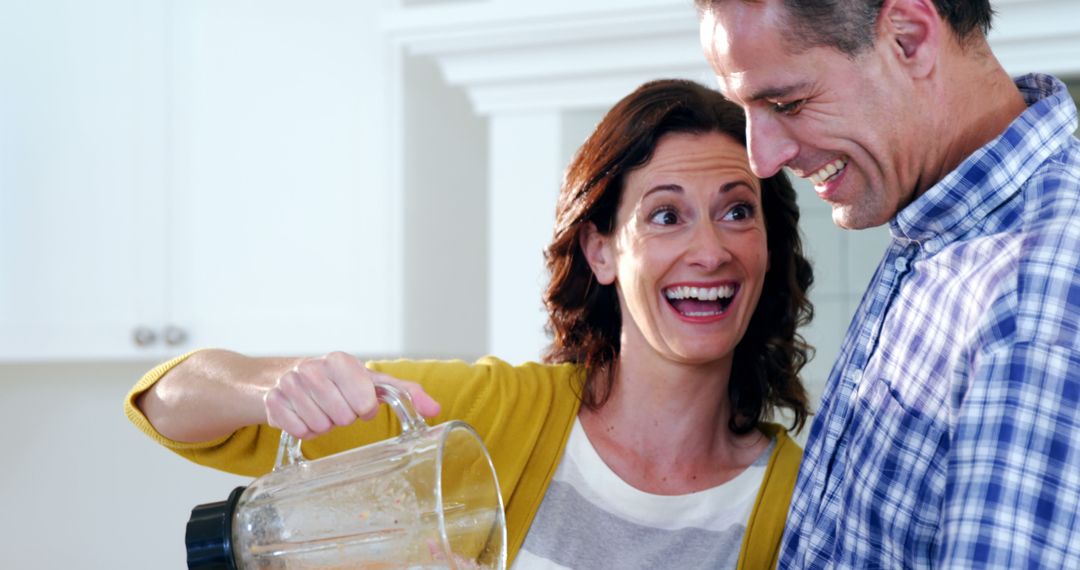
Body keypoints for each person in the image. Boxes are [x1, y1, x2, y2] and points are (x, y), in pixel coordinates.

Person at [125, 78, 815, 569]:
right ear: (601, 251)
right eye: (666, 215)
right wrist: (272, 385)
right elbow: (166, 400)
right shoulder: (485, 417)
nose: (711, 249)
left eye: (736, 211)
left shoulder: (799, 497)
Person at [696, 0, 1080, 567]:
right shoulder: (939, 230)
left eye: (786, 103)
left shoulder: (1037, 296)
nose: (762, 159)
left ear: (908, 36)